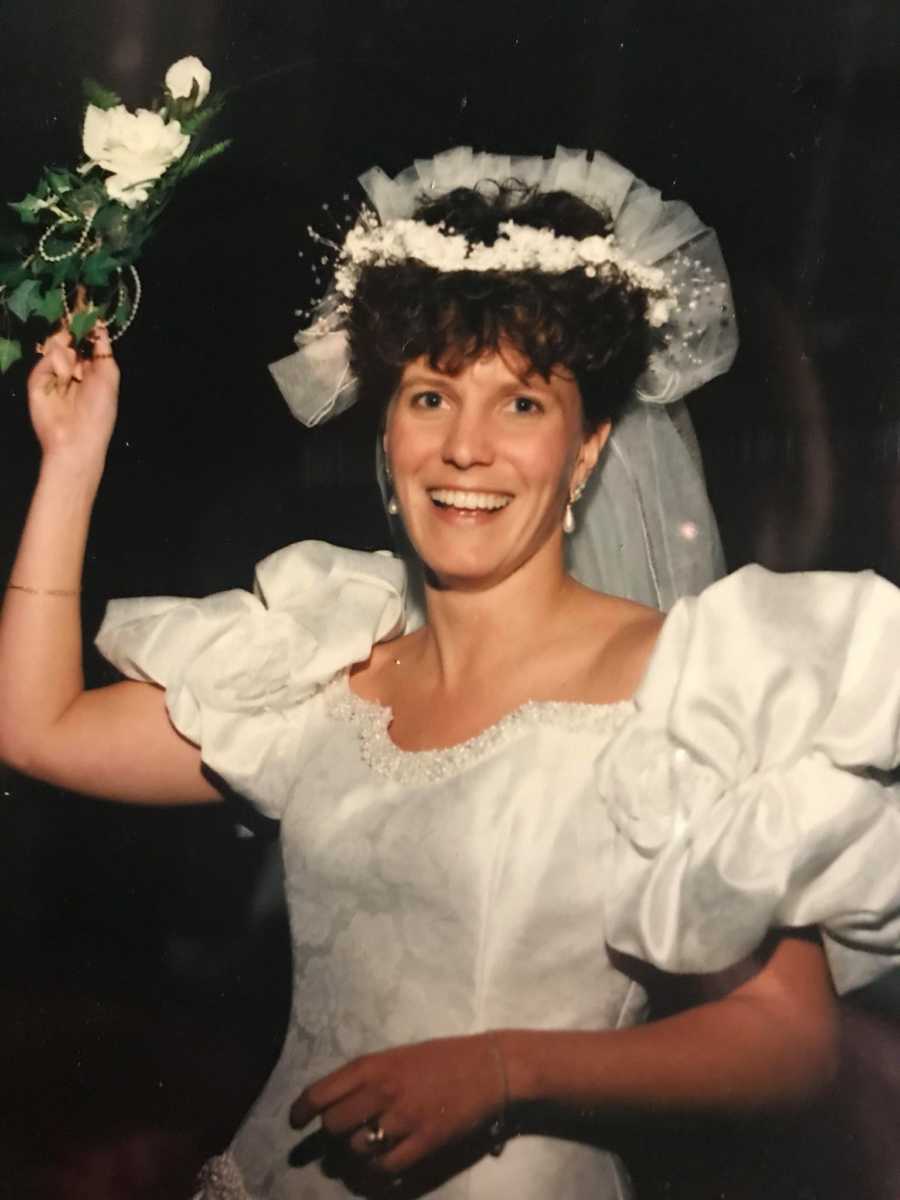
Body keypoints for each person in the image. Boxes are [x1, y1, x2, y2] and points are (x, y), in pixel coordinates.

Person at [1, 146, 898, 1200]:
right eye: (430, 397)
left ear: (589, 447)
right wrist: (71, 461)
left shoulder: (676, 685)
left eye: (520, 405)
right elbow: (38, 727)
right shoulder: (330, 672)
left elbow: (788, 1044)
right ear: (387, 432)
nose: (465, 447)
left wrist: (506, 1068)